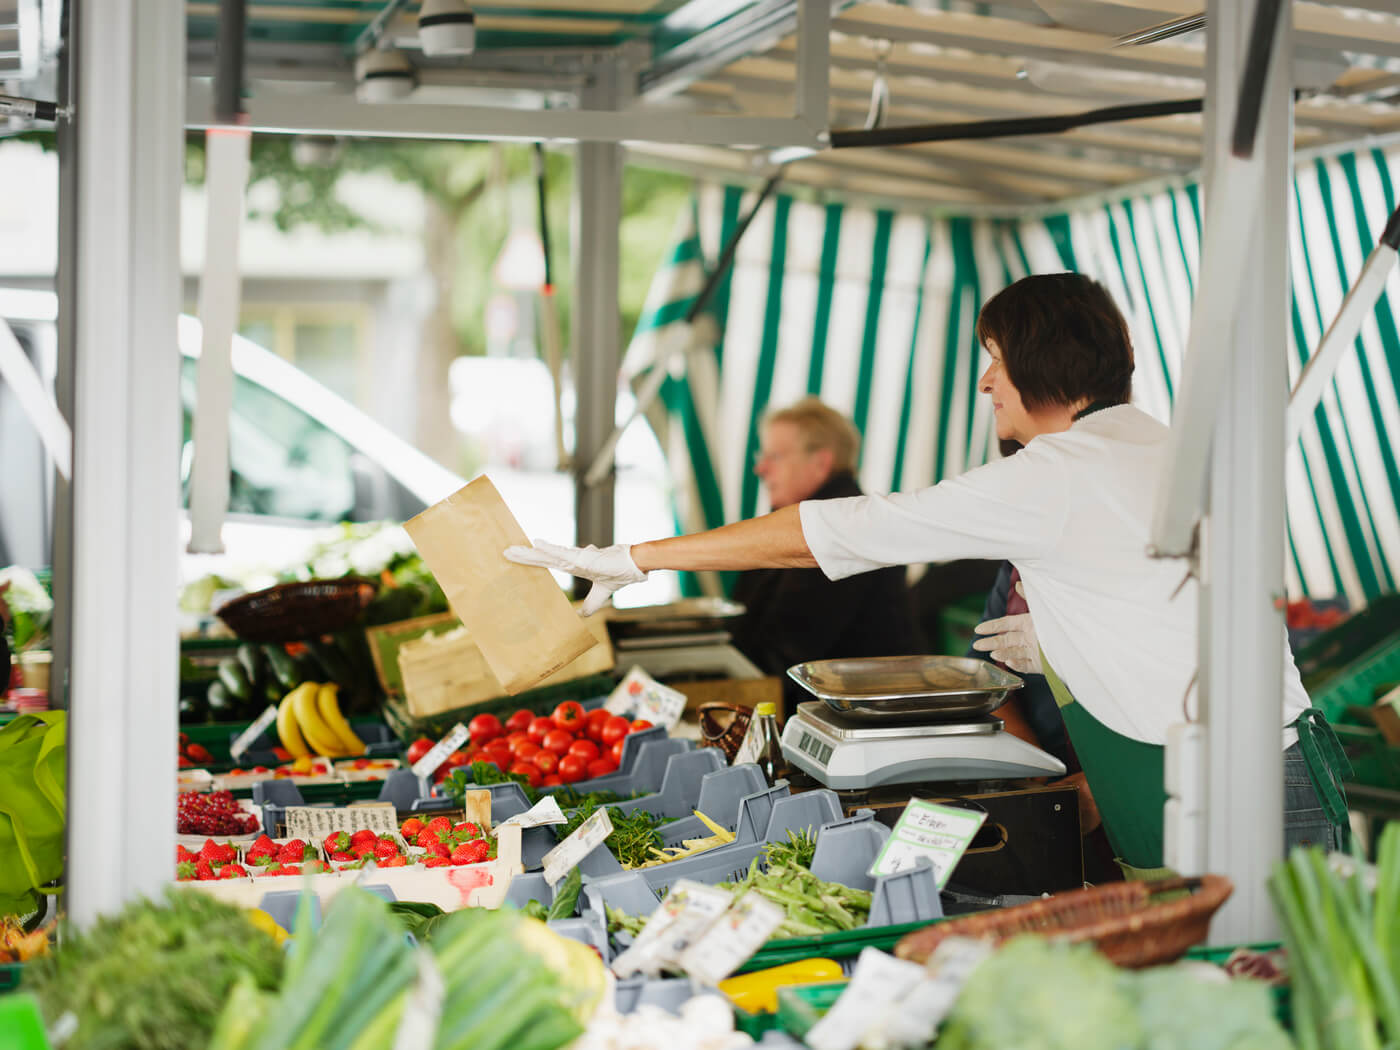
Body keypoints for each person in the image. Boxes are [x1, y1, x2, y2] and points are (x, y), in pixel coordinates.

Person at [508, 273, 1347, 873]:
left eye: (996, 357)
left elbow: (835, 531)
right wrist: (1065, 636)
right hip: (1257, 773)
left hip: (1228, 795)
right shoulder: (1158, 446)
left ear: (1039, 363)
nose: (987, 381)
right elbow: (1177, 612)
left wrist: (636, 556)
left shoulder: (1056, 474)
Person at [729, 397, 920, 709]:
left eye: (774, 456)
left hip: (858, 717)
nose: (760, 468)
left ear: (821, 462)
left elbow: (786, 652)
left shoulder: (846, 529)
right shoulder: (805, 522)